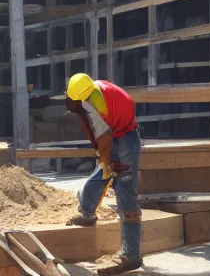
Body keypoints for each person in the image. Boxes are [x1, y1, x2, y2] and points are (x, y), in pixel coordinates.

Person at [65, 73, 142, 275]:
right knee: (102, 171)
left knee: (125, 193)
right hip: (119, 129)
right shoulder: (95, 88)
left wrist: (107, 163)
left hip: (125, 138)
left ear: (80, 98)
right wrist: (105, 164)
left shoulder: (94, 107)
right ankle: (87, 212)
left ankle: (131, 254)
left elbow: (104, 142)